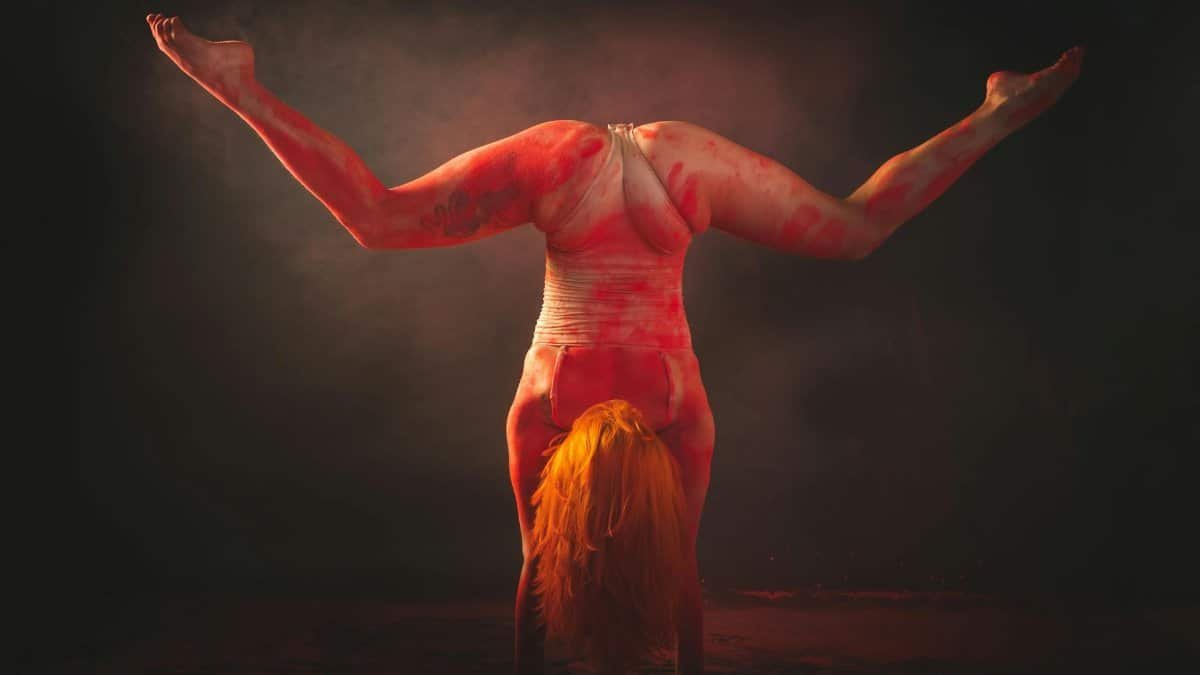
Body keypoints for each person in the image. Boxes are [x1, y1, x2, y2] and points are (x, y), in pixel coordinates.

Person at [146, 13, 1083, 675]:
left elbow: (638, 579)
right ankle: (995, 114)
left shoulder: (673, 415)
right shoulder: (555, 409)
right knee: (857, 226)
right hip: (638, 170)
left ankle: (238, 86)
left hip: (644, 171)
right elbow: (586, 575)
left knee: (378, 220)